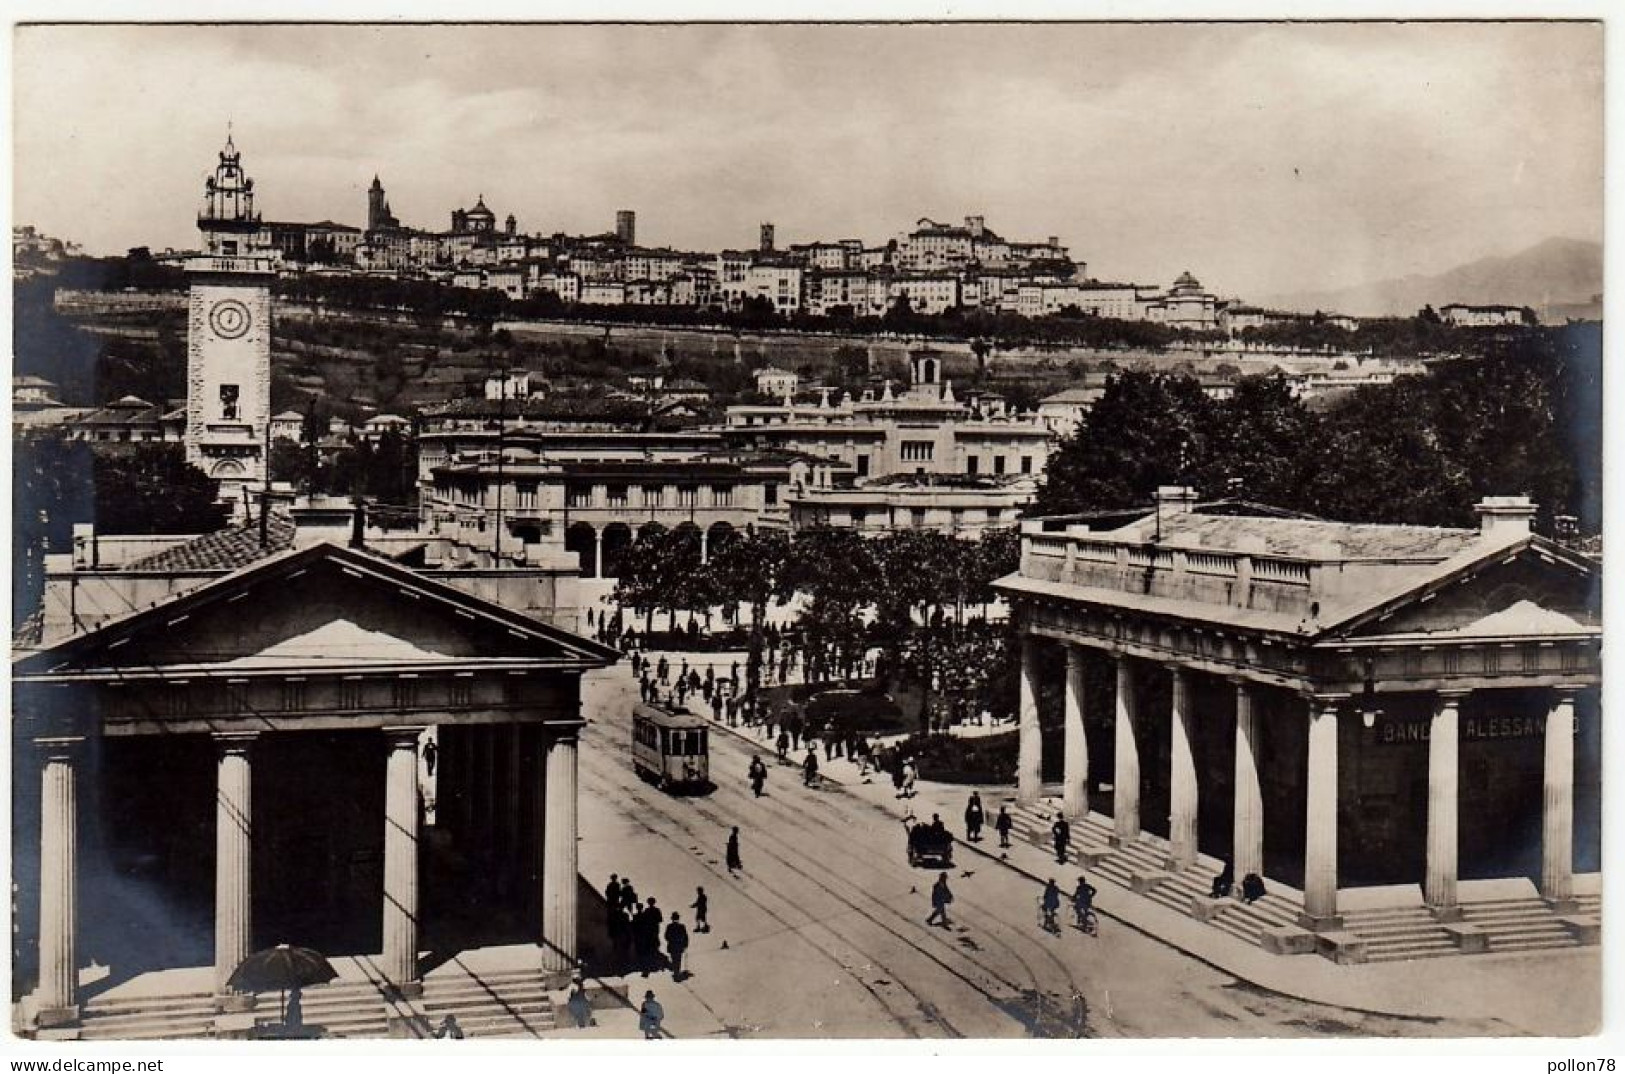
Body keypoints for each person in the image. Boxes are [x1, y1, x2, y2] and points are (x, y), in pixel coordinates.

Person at [664, 912, 690, 979]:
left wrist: (671, 940)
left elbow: (666, 936)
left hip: (672, 946)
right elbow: (685, 937)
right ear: (678, 918)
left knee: (674, 959)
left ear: (672, 919)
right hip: (679, 946)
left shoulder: (669, 926)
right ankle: (677, 972)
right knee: (678, 959)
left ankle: (676, 972)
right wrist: (685, 944)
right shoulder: (681, 926)